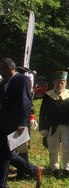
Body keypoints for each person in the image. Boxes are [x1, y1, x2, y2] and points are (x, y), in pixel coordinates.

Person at [0, 58, 43, 188]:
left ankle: (34, 170)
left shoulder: (22, 80)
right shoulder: (4, 82)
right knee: (4, 153)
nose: (0, 72)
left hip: (15, 122)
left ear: (8, 68)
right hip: (3, 121)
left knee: (6, 153)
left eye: (2, 69)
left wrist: (23, 122)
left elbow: (26, 101)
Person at [39, 71, 69, 177]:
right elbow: (42, 112)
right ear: (54, 82)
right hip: (52, 126)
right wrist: (43, 127)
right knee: (53, 147)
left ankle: (66, 168)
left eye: (62, 82)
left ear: (65, 83)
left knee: (67, 147)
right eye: (58, 82)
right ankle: (55, 168)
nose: (60, 85)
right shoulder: (48, 95)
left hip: (67, 125)